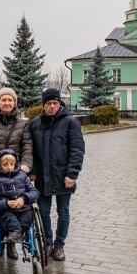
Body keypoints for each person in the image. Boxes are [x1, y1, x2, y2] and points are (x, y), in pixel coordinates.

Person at [28, 88, 85, 262]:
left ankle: (59, 245)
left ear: (60, 103)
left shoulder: (70, 122)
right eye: (49, 104)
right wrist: (33, 172)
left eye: (55, 103)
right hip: (42, 177)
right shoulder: (35, 124)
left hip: (63, 176)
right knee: (43, 212)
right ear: (43, 105)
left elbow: (77, 150)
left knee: (63, 211)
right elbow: (31, 151)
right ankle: (47, 243)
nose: (52, 106)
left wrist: (72, 174)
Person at [0, 87, 33, 259]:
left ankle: (12, 243)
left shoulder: (22, 124)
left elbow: (27, 147)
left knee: (21, 207)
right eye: (4, 100)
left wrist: (25, 166)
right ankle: (0, 242)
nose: (7, 103)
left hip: (16, 174)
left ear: (15, 103)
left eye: (10, 100)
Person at [0, 149, 40, 247]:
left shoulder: (22, 175)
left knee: (27, 219)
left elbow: (35, 192)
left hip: (23, 208)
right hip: (5, 210)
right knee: (9, 219)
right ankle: (16, 233)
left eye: (11, 164)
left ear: (15, 164)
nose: (9, 167)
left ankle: (18, 234)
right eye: (5, 164)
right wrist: (6, 203)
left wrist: (23, 198)